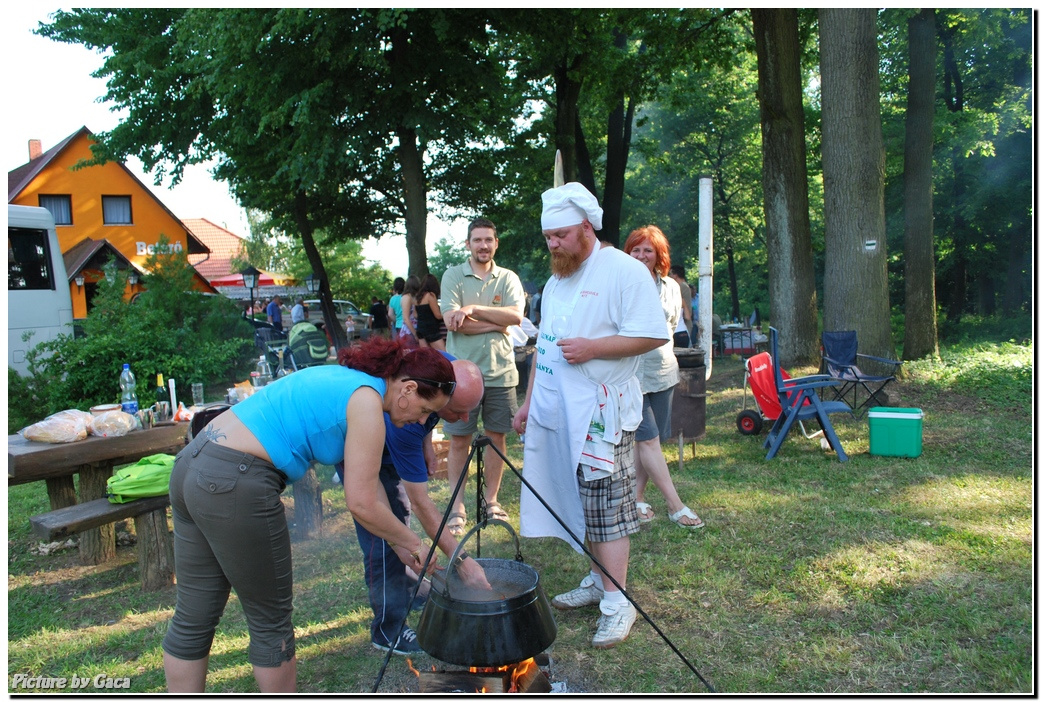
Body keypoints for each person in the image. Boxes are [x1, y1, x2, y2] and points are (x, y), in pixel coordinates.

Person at [162, 337, 455, 692]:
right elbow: (360, 502)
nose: (420, 421)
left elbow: (370, 487)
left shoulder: (351, 382)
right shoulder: (367, 403)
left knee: (194, 616)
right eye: (425, 411)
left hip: (192, 465)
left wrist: (400, 545)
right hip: (235, 482)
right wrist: (414, 542)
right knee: (271, 625)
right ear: (407, 388)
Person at [512, 183, 668, 649]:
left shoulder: (623, 270)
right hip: (558, 409)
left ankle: (618, 604)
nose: (552, 245)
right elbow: (545, 346)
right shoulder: (559, 279)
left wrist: (595, 348)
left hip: (601, 412)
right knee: (580, 502)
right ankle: (599, 580)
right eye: (547, 238)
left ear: (585, 228)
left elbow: (652, 335)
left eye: (560, 235)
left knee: (608, 507)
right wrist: (526, 401)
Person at [337, 358, 491, 655]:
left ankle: (412, 589)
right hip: (361, 448)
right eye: (457, 411)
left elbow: (427, 414)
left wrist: (427, 446)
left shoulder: (442, 371)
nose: (464, 418)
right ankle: (387, 628)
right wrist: (463, 562)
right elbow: (423, 504)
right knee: (383, 534)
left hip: (393, 440)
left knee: (400, 514)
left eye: (471, 409)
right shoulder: (407, 424)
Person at [440, 217, 525, 536]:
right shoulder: (452, 276)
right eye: (477, 240)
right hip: (461, 375)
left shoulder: (508, 278)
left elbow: (516, 316)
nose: (483, 245)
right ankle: (457, 507)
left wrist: (473, 308)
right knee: (459, 439)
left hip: (501, 372)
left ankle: (491, 501)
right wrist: (496, 323)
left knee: (497, 438)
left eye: (489, 240)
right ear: (468, 244)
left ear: (496, 243)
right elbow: (452, 321)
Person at [624, 226, 704, 530]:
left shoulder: (671, 287)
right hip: (629, 374)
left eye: (648, 250)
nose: (642, 255)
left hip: (662, 371)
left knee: (651, 441)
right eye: (636, 249)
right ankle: (675, 505)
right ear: (627, 253)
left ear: (659, 255)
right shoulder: (620, 285)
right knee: (648, 438)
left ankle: (637, 497)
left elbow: (672, 327)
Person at [414, 274, 446, 351]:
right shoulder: (431, 296)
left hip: (420, 330)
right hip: (431, 330)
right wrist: (447, 314)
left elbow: (415, 315)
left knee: (426, 357)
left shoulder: (417, 297)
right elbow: (438, 315)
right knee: (445, 355)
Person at [669, 265, 693, 349]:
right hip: (683, 323)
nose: (670, 276)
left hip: (682, 324)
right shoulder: (684, 286)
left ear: (675, 275)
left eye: (671, 274)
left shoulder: (680, 286)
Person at [399, 275, 422, 349]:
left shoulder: (413, 297)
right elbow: (406, 318)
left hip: (414, 329)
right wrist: (415, 333)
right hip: (409, 332)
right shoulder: (407, 297)